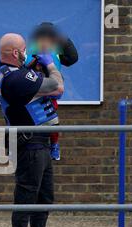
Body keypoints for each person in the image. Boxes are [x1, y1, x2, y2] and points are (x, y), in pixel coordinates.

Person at [0, 33, 67, 227]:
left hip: (42, 142)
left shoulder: (21, 74)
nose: (28, 52)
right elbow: (57, 86)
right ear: (16, 53)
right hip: (29, 143)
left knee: (44, 198)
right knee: (26, 199)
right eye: (25, 49)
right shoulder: (14, 78)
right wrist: (48, 64)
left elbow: (51, 91)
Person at [26, 22, 79, 161]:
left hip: (52, 91)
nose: (45, 42)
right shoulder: (31, 49)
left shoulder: (56, 50)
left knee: (53, 120)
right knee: (34, 118)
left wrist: (64, 40)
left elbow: (72, 58)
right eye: (42, 38)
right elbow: (24, 66)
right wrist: (37, 58)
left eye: (49, 38)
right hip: (34, 91)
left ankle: (54, 144)